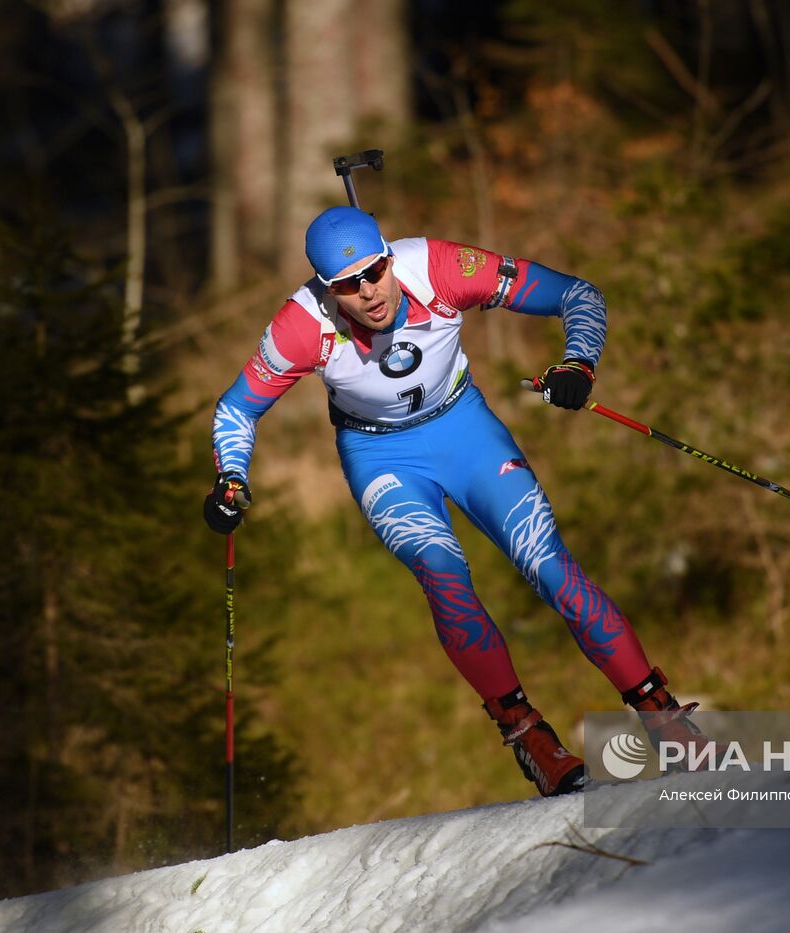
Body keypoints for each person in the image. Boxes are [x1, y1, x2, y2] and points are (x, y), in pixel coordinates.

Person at [204, 206, 705, 796]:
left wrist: (578, 364)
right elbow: (238, 407)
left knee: (549, 566)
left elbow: (579, 294)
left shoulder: (442, 268)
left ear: (390, 258)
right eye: (347, 285)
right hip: (380, 458)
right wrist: (231, 480)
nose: (368, 293)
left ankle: (664, 719)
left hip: (464, 431)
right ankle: (530, 737)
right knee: (445, 578)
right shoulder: (300, 325)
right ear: (325, 287)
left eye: (374, 272)